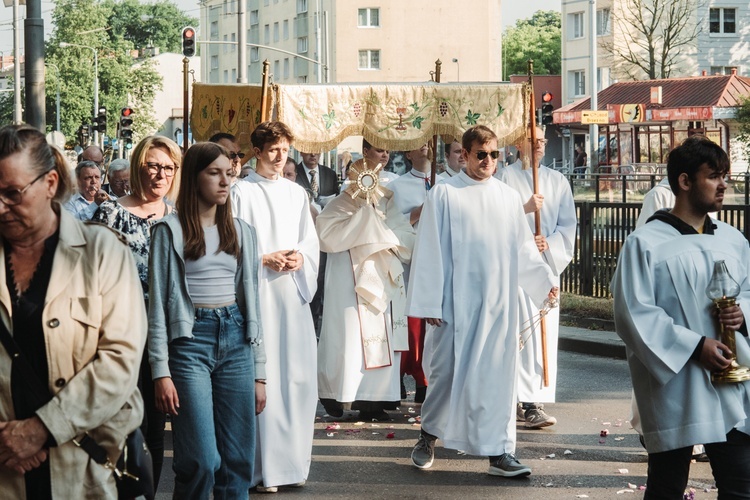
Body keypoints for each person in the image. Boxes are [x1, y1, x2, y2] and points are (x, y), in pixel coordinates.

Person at [0, 124, 145, 498]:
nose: (0, 206)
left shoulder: (102, 253)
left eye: (12, 193)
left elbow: (120, 361)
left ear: (50, 183)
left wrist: (40, 430)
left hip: (83, 469)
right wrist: (8, 442)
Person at [406, 125, 557, 478]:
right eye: (480, 154)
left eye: (493, 154)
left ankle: (500, 452)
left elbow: (521, 247)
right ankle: (428, 437)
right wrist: (430, 303)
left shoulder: (506, 197)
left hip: (497, 304)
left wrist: (543, 282)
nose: (488, 161)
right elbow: (429, 249)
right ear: (465, 156)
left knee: (497, 378)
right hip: (454, 306)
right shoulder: (444, 195)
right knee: (446, 375)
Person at [611, 135, 750, 498]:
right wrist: (695, 346)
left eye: (725, 176)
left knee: (740, 483)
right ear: (684, 182)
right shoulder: (645, 243)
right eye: (713, 176)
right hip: (677, 380)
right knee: (667, 485)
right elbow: (634, 313)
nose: (723, 185)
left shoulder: (734, 241)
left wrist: (742, 315)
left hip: (730, 377)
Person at [148, 142, 266, 498]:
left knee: (238, 461)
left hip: (236, 339)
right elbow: (157, 307)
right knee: (200, 460)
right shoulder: (168, 231)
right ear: (194, 178)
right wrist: (160, 371)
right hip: (188, 342)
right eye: (214, 173)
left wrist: (260, 371)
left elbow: (253, 303)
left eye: (228, 173)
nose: (224, 181)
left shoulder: (242, 230)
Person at [231, 121, 319, 493]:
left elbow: (309, 241)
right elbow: (230, 243)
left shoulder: (297, 193)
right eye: (273, 149)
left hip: (291, 296)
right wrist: (262, 257)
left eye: (285, 149)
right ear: (257, 152)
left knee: (296, 379)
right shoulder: (240, 192)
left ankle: (291, 465)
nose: (281, 156)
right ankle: (259, 470)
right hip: (259, 294)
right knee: (263, 380)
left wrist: (301, 258)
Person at [92, 135, 182, 490]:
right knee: (124, 425)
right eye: (153, 166)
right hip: (121, 335)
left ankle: (149, 494)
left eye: (168, 168)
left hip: (165, 337)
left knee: (157, 429)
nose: (160, 175)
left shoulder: (179, 216)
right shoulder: (110, 212)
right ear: (138, 167)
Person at [316, 173, 415, 421]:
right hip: (348, 284)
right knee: (348, 337)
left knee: (382, 336)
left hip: (382, 280)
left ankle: (377, 399)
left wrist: (380, 231)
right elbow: (325, 235)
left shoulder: (386, 203)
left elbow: (406, 236)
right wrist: (364, 220)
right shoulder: (339, 203)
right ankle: (341, 394)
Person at [497, 127, 576, 429]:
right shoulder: (504, 178)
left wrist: (550, 242)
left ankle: (535, 399)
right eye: (534, 140)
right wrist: (525, 209)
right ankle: (519, 399)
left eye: (543, 141)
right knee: (519, 334)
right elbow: (495, 218)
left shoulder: (558, 181)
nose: (540, 145)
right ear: (519, 143)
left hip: (545, 264)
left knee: (543, 332)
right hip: (516, 268)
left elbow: (568, 226)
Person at [388, 143, 434, 403]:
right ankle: (398, 378)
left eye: (429, 143)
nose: (426, 148)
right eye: (419, 145)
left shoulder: (445, 183)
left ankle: (425, 380)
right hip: (407, 260)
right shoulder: (398, 186)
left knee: (430, 322)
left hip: (434, 261)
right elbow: (389, 225)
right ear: (408, 153)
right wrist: (415, 214)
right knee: (406, 323)